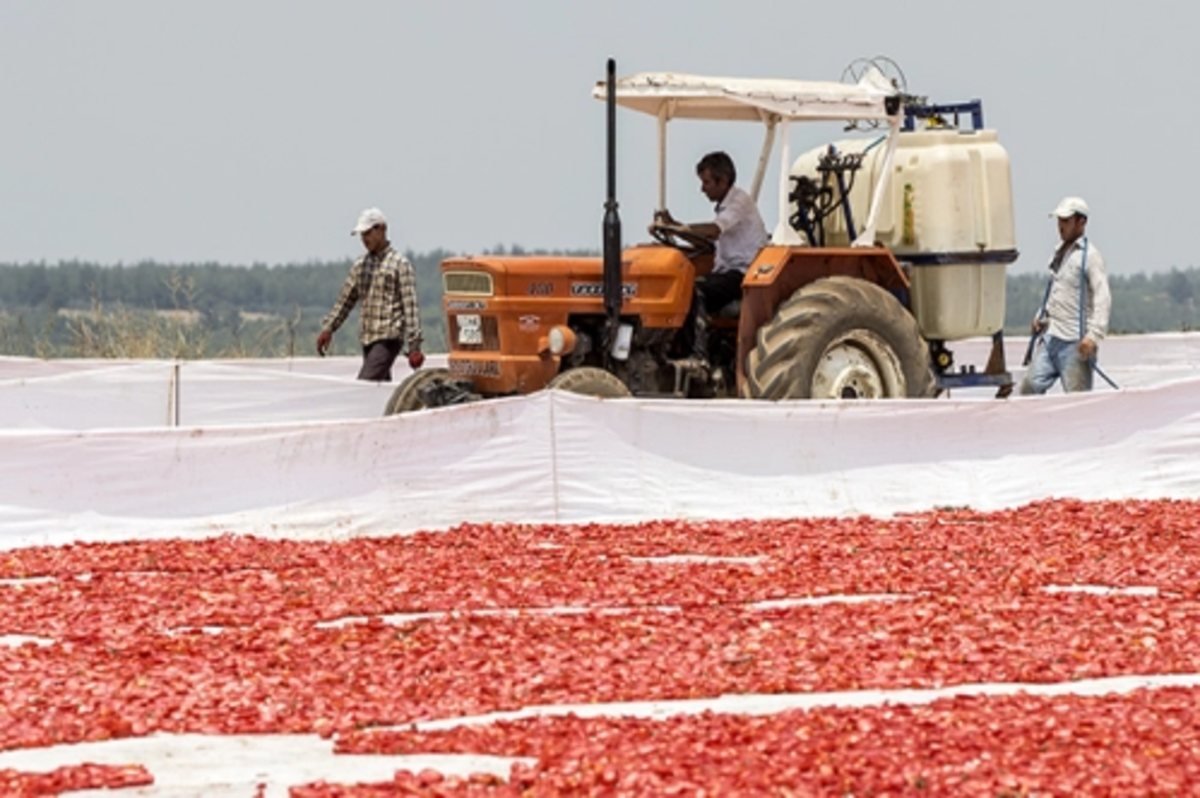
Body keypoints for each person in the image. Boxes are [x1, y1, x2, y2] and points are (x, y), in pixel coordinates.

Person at [650, 151, 768, 369]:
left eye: (706, 182)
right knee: (679, 286)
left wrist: (676, 228)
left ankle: (697, 356)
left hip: (743, 274)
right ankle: (666, 349)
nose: (702, 188)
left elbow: (713, 231)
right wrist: (673, 227)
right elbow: (706, 240)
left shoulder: (739, 202)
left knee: (694, 290)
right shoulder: (725, 205)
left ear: (722, 181)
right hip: (726, 272)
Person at [316, 207, 424, 381]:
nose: (364, 239)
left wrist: (415, 346)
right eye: (362, 235)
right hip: (367, 338)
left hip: (388, 337)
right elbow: (345, 300)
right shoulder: (361, 265)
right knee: (377, 391)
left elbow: (410, 307)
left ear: (381, 229)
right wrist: (328, 329)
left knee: (365, 383)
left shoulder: (400, 264)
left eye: (367, 233)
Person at [1017, 196, 1111, 395]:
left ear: (1082, 222)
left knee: (1077, 399)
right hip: (1051, 336)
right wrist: (1041, 314)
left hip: (1075, 342)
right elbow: (1055, 289)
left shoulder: (1090, 257)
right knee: (1029, 388)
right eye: (1059, 221)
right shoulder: (1058, 253)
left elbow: (1102, 298)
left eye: (1066, 221)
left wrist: (1093, 336)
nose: (1061, 226)